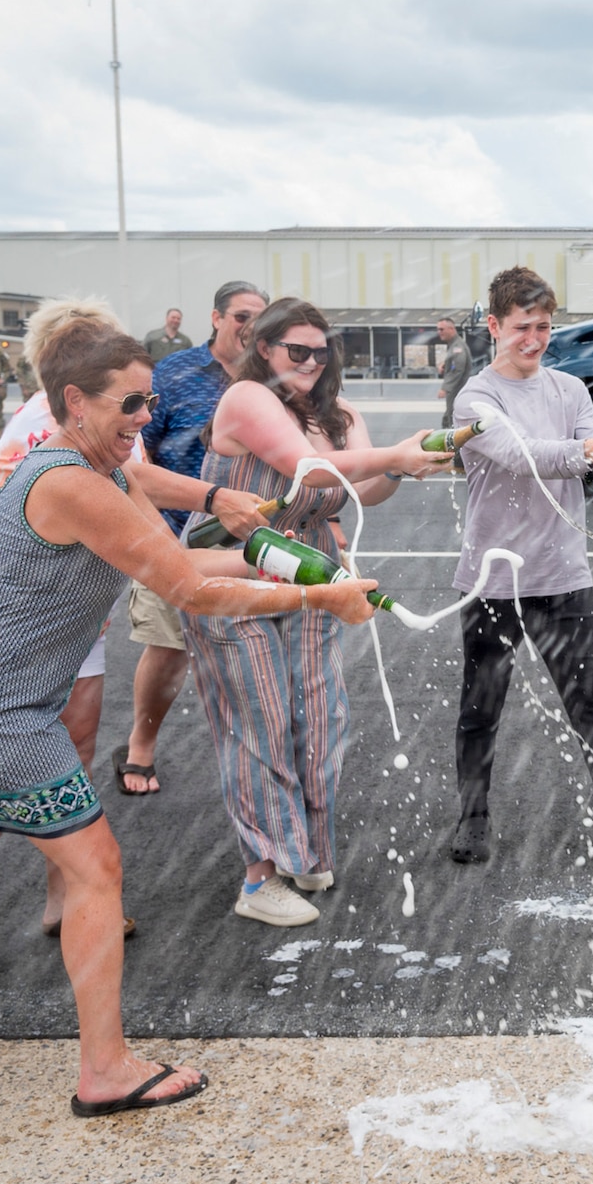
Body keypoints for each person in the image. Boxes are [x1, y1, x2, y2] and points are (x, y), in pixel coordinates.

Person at [0, 316, 377, 1117]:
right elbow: (187, 589)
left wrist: (295, 559)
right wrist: (319, 596)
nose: (143, 418)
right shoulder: (69, 483)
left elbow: (185, 556)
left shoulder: (97, 467)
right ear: (73, 402)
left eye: (149, 401)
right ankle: (107, 1069)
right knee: (96, 868)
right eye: (129, 404)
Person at [0, 299, 272, 965]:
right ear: (72, 382)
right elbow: (143, 511)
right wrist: (223, 510)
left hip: (70, 608)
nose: (139, 403)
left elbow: (135, 490)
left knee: (76, 746)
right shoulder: (51, 426)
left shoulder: (112, 421)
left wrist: (229, 528)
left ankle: (66, 896)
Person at [188, 296, 448, 926]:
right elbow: (302, 467)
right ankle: (259, 880)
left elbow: (358, 491)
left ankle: (301, 853)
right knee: (261, 722)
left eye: (319, 351)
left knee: (321, 718)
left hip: (313, 574)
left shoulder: (339, 413)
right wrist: (393, 454)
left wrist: (406, 465)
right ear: (264, 350)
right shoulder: (247, 398)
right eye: (294, 350)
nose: (308, 361)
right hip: (238, 572)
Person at [446, 266, 593, 867]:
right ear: (494, 325)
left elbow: (586, 457)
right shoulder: (475, 398)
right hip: (494, 579)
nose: (535, 338)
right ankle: (472, 821)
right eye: (522, 327)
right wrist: (591, 451)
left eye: (545, 326)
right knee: (481, 706)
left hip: (562, 575)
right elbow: (519, 456)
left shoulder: (570, 390)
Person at [126, 281, 269, 796]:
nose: (250, 324)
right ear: (216, 317)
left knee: (253, 653)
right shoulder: (174, 372)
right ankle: (140, 745)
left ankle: (256, 760)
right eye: (241, 315)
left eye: (259, 315)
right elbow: (136, 454)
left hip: (249, 538)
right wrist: (151, 526)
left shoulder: (270, 378)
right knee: (169, 650)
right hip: (171, 534)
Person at [436, 316, 471, 428]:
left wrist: (445, 387)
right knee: (449, 418)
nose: (439, 332)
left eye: (442, 329)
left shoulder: (457, 347)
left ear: (451, 329)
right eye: (438, 329)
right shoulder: (454, 345)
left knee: (451, 420)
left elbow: (457, 369)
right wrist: (445, 364)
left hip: (457, 391)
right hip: (456, 391)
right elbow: (454, 363)